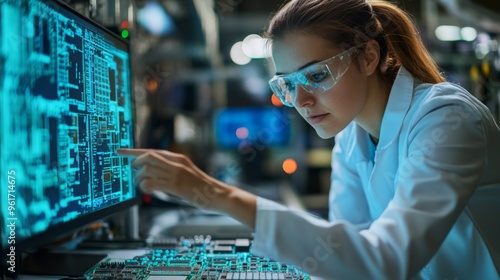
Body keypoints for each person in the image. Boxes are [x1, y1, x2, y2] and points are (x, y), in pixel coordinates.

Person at [117, 0, 500, 278]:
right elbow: (347, 257)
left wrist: (216, 194)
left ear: (368, 56)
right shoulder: (351, 135)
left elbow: (386, 262)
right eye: (288, 84)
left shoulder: (447, 119)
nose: (300, 101)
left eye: (316, 76)